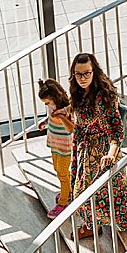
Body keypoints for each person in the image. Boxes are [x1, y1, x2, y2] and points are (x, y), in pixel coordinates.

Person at [66, 51, 127, 243]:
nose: (83, 78)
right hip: (84, 147)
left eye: (87, 73)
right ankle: (94, 224)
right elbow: (78, 113)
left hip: (102, 150)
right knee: (103, 189)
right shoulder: (78, 90)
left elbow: (116, 130)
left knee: (88, 191)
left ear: (94, 71)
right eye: (79, 74)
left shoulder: (103, 97)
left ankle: (93, 225)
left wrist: (111, 154)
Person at [35, 77, 76, 216]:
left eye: (47, 102)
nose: (47, 105)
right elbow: (51, 117)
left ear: (54, 97)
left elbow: (71, 128)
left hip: (64, 147)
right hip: (55, 144)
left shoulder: (67, 109)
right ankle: (69, 189)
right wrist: (45, 122)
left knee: (62, 174)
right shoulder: (53, 108)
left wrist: (62, 117)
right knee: (57, 169)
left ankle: (63, 203)